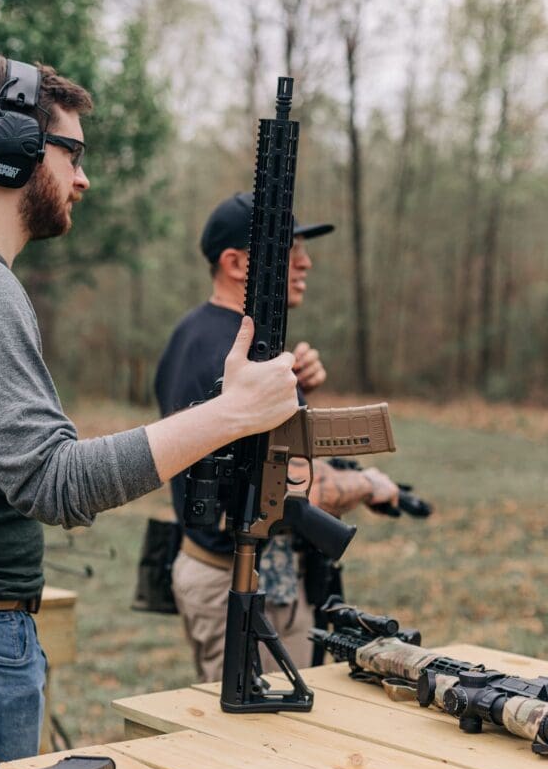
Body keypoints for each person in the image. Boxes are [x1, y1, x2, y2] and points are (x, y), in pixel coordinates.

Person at [0, 58, 300, 760]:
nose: (83, 179)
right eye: (71, 153)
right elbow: (52, 481)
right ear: (11, 150)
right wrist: (233, 414)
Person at [154, 192, 398, 683]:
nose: (306, 262)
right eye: (290, 250)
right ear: (237, 263)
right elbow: (297, 488)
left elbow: (243, 446)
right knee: (262, 746)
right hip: (242, 583)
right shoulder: (226, 351)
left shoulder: (198, 336)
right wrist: (369, 484)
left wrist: (297, 391)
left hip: (234, 576)